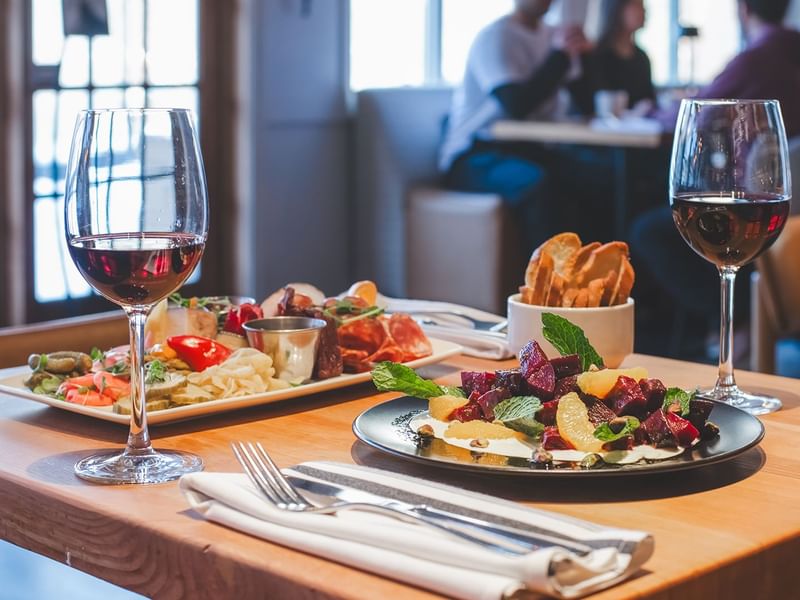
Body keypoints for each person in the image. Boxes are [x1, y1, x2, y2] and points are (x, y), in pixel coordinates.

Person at [630, 0, 800, 359]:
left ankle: (727, 324)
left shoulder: (756, 58)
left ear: (742, 10)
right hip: (785, 199)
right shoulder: (792, 50)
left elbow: (699, 114)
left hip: (756, 193)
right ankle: (731, 328)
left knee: (648, 230)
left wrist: (657, 110)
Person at [439, 0, 604, 253]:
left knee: (595, 177)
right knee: (541, 186)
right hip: (475, 153)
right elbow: (516, 105)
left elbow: (586, 104)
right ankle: (546, 285)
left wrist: (585, 55)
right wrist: (559, 56)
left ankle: (595, 276)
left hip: (529, 148)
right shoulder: (494, 37)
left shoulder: (553, 35)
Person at [570, 0, 656, 116]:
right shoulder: (595, 54)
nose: (644, 11)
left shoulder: (642, 58)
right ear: (618, 8)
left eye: (643, 6)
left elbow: (649, 101)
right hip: (598, 131)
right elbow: (587, 105)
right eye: (636, 6)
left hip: (637, 131)